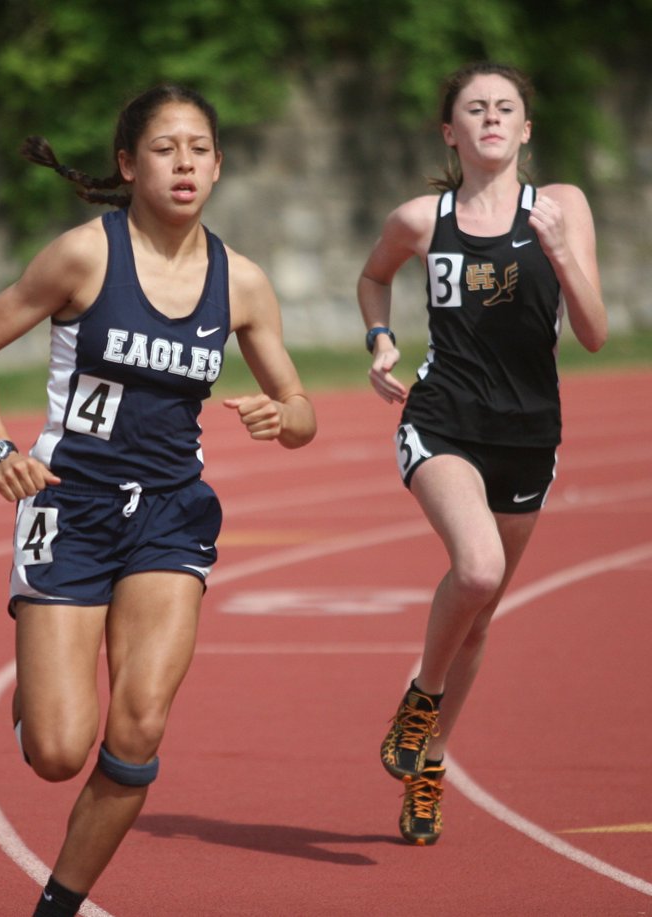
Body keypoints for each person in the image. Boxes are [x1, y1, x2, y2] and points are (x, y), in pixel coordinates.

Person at [0, 84, 316, 915]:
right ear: (127, 163)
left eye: (198, 150)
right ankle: (36, 696)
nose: (183, 163)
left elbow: (303, 413)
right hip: (71, 505)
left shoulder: (242, 282)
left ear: (218, 167)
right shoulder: (84, 255)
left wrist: (282, 415)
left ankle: (59, 904)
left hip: (170, 515)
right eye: (163, 148)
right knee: (57, 749)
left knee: (140, 724)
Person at [358, 61, 607, 846]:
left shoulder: (562, 206)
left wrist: (562, 253)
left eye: (507, 108)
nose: (492, 118)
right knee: (476, 570)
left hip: (531, 433)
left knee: (480, 616)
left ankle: (429, 764)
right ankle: (420, 696)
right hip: (443, 421)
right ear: (451, 131)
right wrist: (380, 336)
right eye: (476, 108)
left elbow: (596, 333)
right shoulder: (422, 220)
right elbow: (373, 277)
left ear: (526, 128)